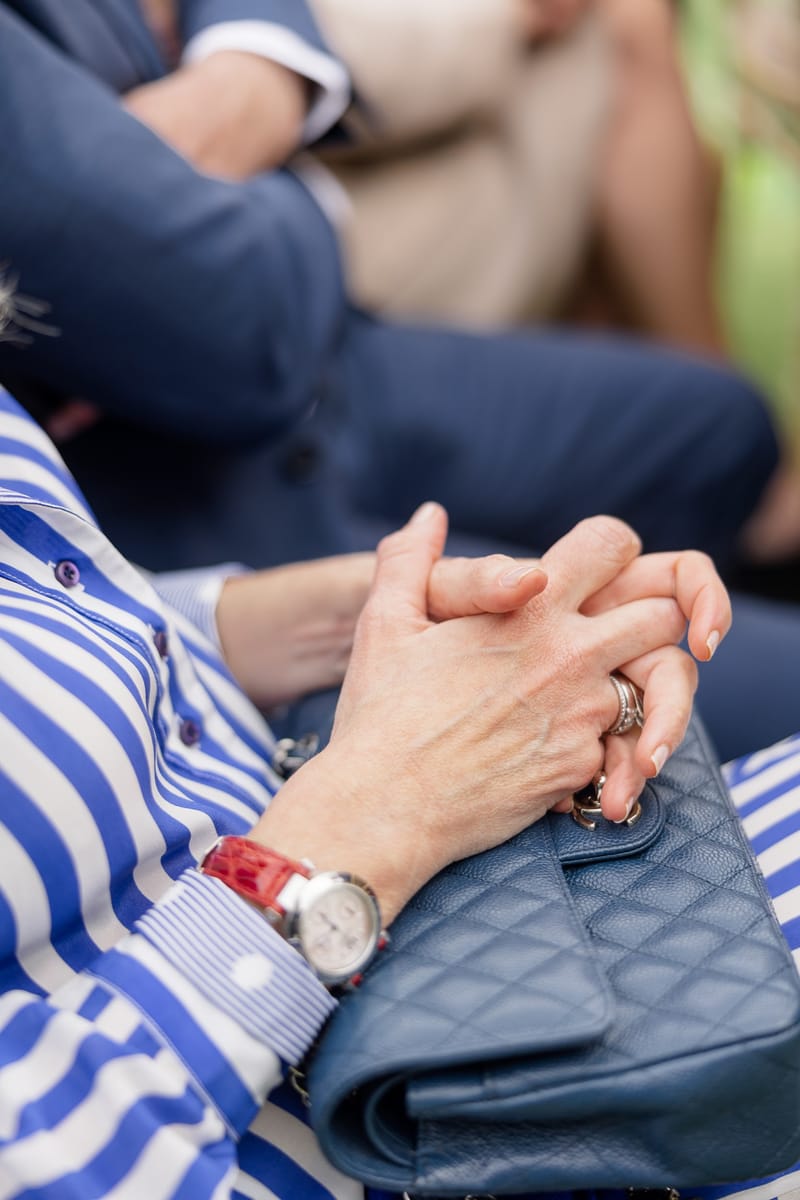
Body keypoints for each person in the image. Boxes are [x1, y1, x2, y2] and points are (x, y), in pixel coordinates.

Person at [0, 379, 797, 1200]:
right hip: (373, 1132)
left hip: (410, 865)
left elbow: (52, 617)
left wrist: (355, 625)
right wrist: (388, 802)